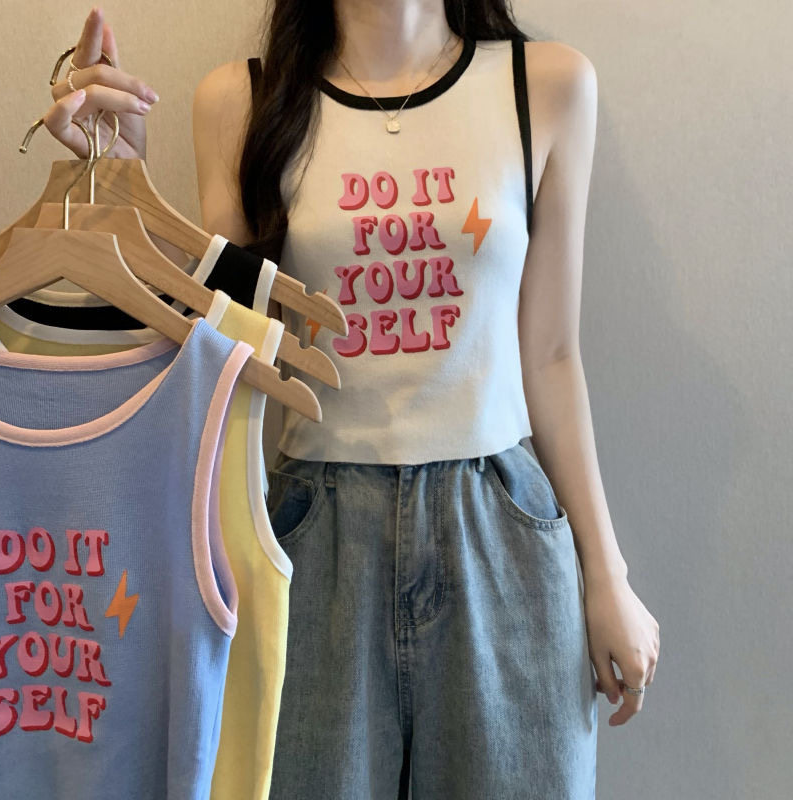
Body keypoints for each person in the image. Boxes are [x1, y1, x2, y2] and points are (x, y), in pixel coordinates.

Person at [44, 3, 660, 798]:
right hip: (314, 534)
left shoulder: (543, 86)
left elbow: (551, 355)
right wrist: (126, 186)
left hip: (501, 532)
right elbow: (230, 354)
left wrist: (605, 575)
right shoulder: (241, 102)